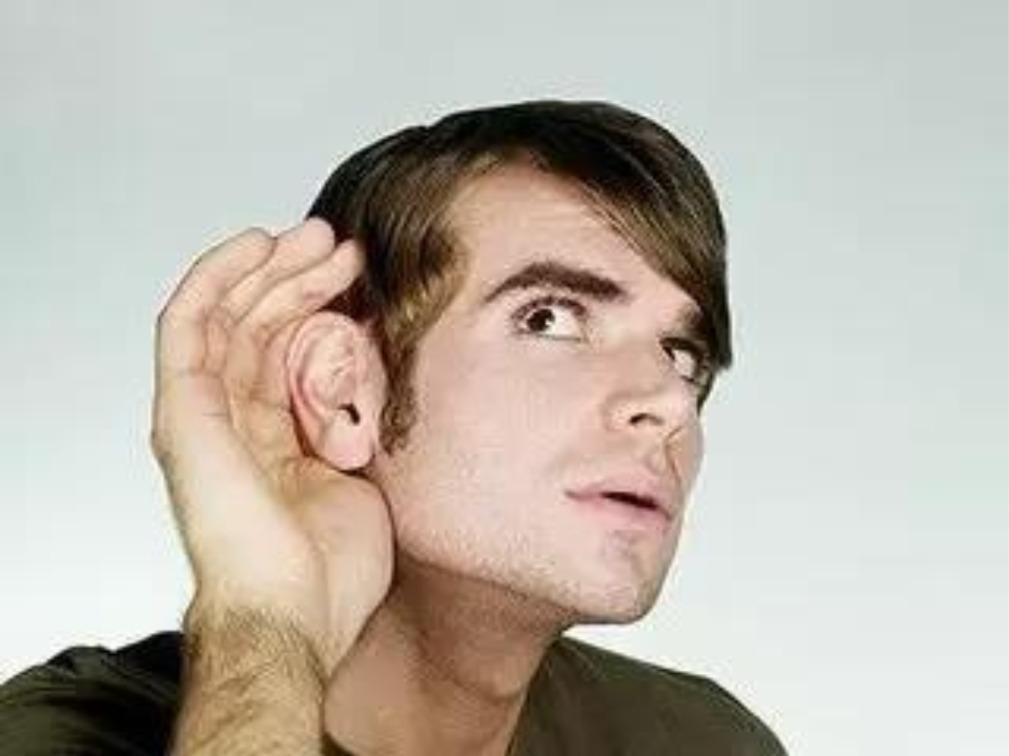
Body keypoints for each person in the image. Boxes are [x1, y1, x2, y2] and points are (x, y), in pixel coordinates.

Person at [0, 100, 787, 755]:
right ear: (344, 393)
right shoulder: (61, 733)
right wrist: (262, 621)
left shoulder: (702, 741)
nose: (666, 401)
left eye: (681, 354)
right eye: (549, 318)